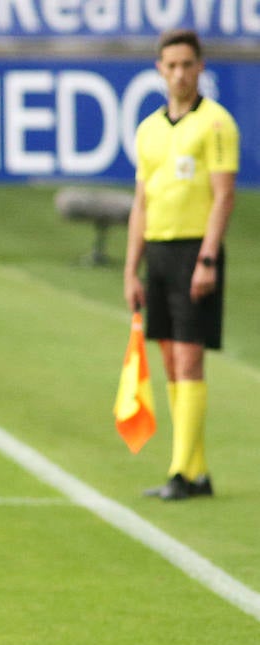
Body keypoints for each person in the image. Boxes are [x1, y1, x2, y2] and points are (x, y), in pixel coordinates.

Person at [124, 28, 239, 501]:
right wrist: (132, 267)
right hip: (160, 252)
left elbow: (223, 195)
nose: (179, 73)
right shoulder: (149, 128)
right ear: (160, 70)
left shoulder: (216, 124)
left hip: (196, 250)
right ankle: (199, 470)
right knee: (171, 358)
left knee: (190, 357)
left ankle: (180, 474)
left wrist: (208, 257)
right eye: (171, 65)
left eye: (187, 65)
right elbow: (141, 201)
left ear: (200, 67)